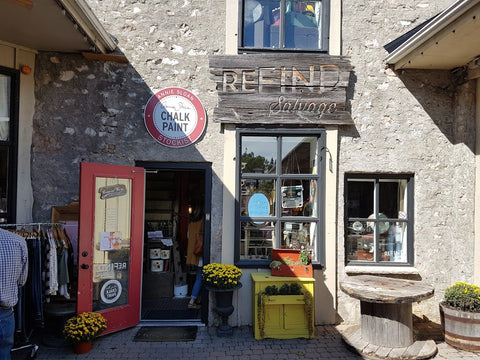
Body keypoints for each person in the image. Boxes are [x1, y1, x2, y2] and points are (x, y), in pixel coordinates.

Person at [0, 229, 28, 359]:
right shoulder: (17, 241)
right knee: (4, 352)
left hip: (4, 314)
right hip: (4, 313)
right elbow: (22, 280)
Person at [186, 203, 204, 310]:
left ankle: (198, 299)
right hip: (201, 254)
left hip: (194, 253)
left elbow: (188, 236)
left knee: (199, 276)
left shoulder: (191, 223)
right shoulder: (203, 222)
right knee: (200, 278)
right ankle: (192, 301)